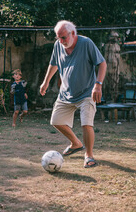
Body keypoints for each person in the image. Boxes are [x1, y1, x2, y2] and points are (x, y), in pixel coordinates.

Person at [40, 20, 107, 168]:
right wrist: (45, 82)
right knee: (56, 121)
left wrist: (98, 85)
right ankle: (76, 143)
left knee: (86, 123)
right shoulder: (58, 45)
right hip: (66, 93)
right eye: (59, 38)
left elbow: (102, 63)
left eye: (64, 37)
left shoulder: (86, 43)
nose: (62, 41)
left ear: (73, 33)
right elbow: (54, 64)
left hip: (86, 92)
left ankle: (89, 156)